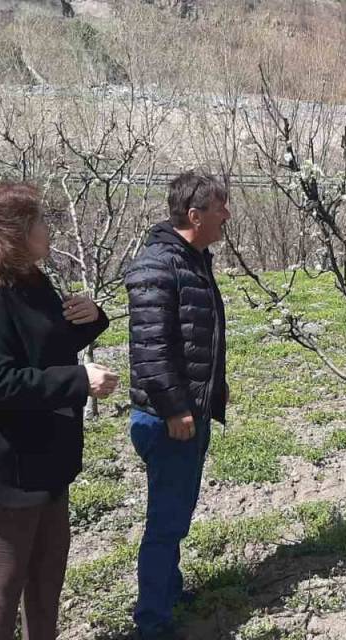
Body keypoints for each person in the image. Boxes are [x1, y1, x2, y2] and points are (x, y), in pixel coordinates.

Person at [0, 181, 118, 640]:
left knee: (45, 580)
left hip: (44, 463)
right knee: (1, 587)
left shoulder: (30, 281)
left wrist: (91, 317)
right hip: (3, 472)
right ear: (16, 231)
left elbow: (42, 349)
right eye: (40, 221)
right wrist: (79, 381)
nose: (47, 229)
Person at [125, 170, 231, 640]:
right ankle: (152, 620)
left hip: (190, 409)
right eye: (220, 208)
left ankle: (167, 590)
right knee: (166, 520)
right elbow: (151, 351)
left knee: (178, 509)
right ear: (195, 215)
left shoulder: (192, 260)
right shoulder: (158, 265)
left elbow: (192, 338)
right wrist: (175, 409)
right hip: (168, 417)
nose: (226, 215)